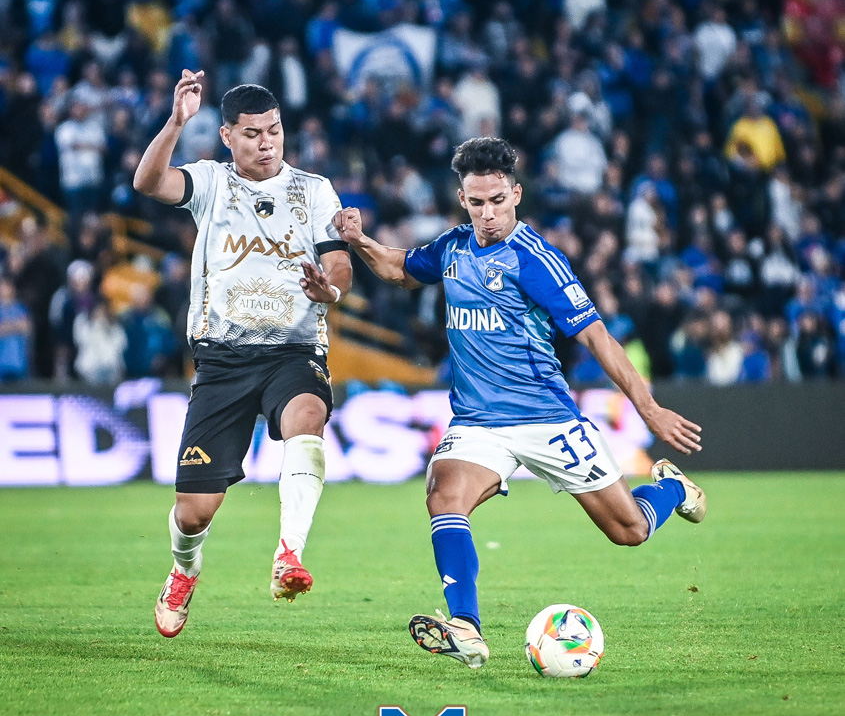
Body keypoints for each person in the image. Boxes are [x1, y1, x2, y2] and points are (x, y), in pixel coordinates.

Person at [334, 136, 705, 669]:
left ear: (516, 195)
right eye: (476, 202)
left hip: (546, 419)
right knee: (443, 497)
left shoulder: (537, 261)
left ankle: (672, 488)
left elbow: (597, 336)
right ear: (462, 199)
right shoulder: (453, 248)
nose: (487, 214)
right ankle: (466, 626)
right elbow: (399, 268)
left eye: (497, 201)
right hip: (478, 423)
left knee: (630, 531)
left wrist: (649, 409)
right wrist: (359, 240)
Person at [134, 70, 352, 637]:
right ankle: (184, 571)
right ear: (227, 135)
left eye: (274, 130)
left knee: (309, 415)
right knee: (194, 513)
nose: (266, 143)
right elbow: (148, 182)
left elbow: (338, 262)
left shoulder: (314, 190)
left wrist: (330, 291)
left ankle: (289, 554)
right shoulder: (210, 181)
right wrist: (176, 122)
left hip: (294, 349)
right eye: (252, 134)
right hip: (223, 359)